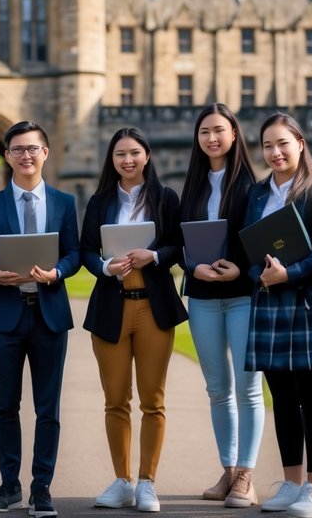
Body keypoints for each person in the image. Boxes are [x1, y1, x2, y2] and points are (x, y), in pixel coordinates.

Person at [0, 121, 81, 518]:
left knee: (48, 408)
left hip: (49, 315)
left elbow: (73, 252)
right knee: (5, 406)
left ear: (45, 153)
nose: (25, 155)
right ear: (7, 156)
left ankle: (42, 487)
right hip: (4, 316)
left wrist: (58, 273)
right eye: (17, 149)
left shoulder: (64, 203)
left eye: (32, 148)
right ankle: (8, 486)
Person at [80, 127, 188, 513]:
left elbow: (178, 245)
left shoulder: (165, 198)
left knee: (153, 401)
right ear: (112, 160)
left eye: (134, 153)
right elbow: (85, 251)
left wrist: (154, 257)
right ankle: (122, 480)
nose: (127, 160)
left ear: (147, 156)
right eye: (120, 154)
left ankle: (147, 482)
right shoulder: (100, 201)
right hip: (112, 305)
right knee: (115, 400)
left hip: (153, 306)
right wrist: (105, 266)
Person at [243, 112, 312, 518]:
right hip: (269, 299)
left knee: (311, 396)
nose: (275, 152)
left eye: (283, 143)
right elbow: (247, 249)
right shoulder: (258, 194)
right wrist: (262, 277)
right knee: (281, 396)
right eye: (267, 145)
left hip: (307, 299)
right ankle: (291, 482)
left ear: (300, 144)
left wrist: (290, 274)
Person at [176, 104, 262, 509]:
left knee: (248, 387)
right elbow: (181, 245)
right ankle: (227, 472)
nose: (212, 138)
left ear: (233, 134)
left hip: (243, 294)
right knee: (216, 390)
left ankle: (246, 474)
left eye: (219, 130)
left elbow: (259, 244)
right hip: (204, 298)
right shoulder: (191, 187)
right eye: (205, 132)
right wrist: (195, 267)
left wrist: (238, 271)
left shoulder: (251, 186)